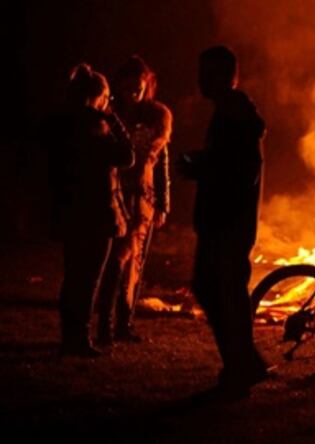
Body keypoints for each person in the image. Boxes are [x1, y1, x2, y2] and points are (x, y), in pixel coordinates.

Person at [178, 46, 267, 397]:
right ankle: (244, 363)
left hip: (228, 222)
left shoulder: (236, 116)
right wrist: (203, 162)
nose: (201, 80)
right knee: (220, 290)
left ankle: (241, 366)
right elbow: (229, 163)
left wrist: (200, 166)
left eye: (208, 73)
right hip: (224, 220)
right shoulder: (230, 113)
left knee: (220, 290)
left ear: (226, 76)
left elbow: (239, 171)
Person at [44, 64, 134, 356]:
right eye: (107, 97)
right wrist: (113, 117)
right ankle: (78, 339)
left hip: (72, 212)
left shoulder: (64, 123)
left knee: (73, 276)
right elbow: (127, 156)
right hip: (97, 213)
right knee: (88, 279)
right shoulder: (96, 125)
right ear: (99, 96)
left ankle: (70, 335)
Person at [97, 56, 172, 344]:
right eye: (128, 88)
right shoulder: (110, 116)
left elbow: (161, 159)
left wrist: (163, 202)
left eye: (137, 89)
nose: (133, 94)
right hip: (115, 195)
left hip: (144, 197)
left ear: (146, 87)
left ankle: (124, 323)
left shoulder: (157, 117)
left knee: (135, 263)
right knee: (115, 261)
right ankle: (105, 321)